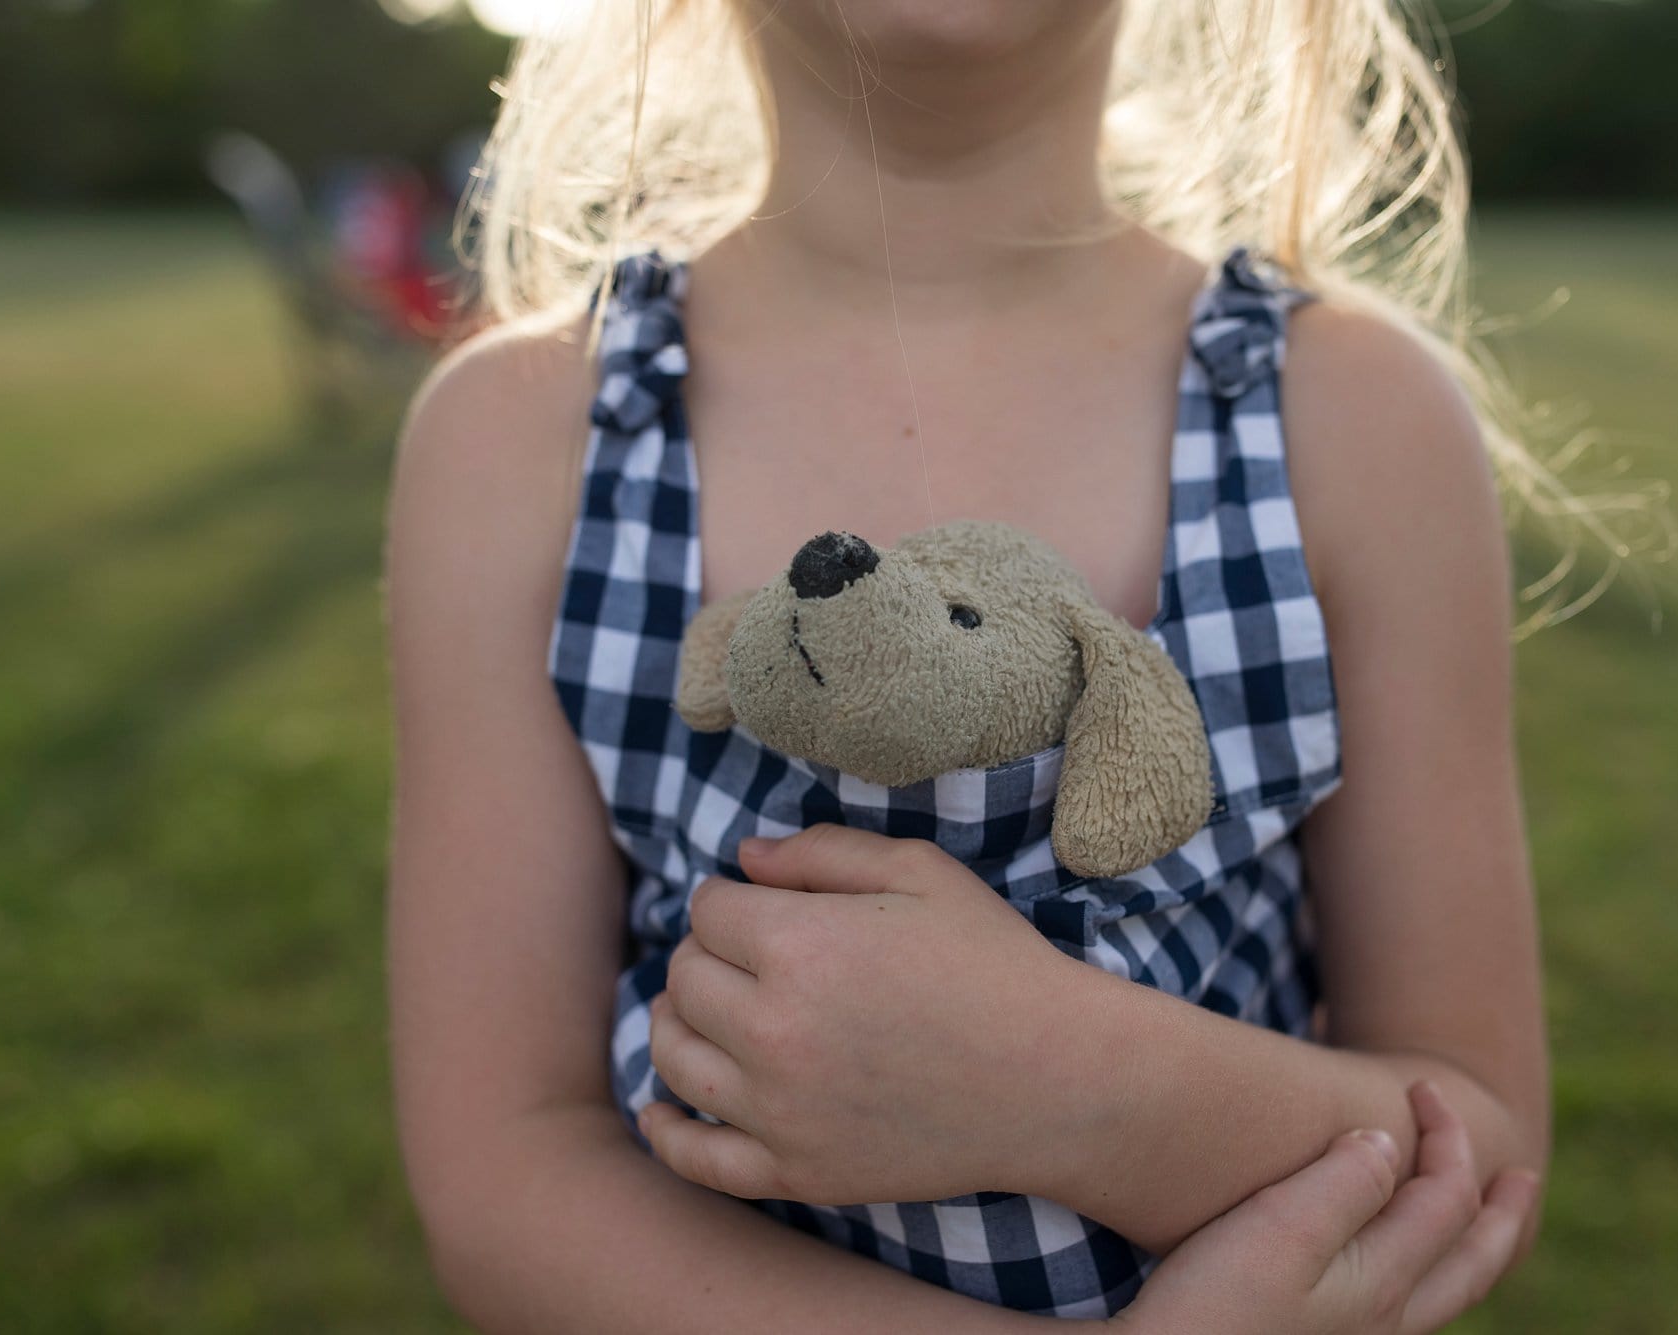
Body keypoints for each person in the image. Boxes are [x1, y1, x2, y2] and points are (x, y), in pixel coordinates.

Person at [385, 2, 1555, 1329]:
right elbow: (506, 1175)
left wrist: (1064, 1085)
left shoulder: (1356, 420)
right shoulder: (519, 442)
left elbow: (1479, 1138)